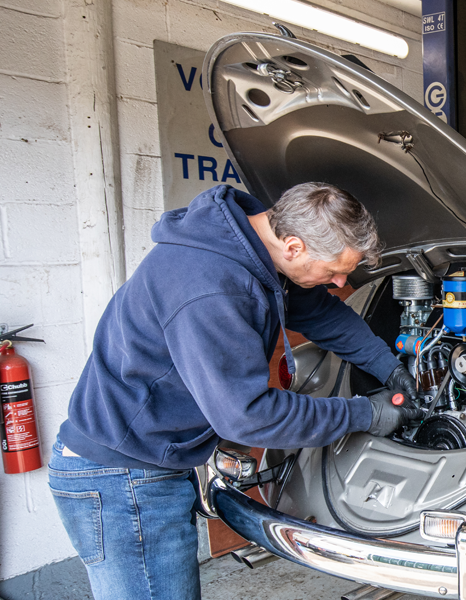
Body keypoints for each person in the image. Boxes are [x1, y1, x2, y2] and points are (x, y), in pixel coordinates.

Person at [48, 183, 418, 600]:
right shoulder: (211, 285)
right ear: (294, 246)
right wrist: (365, 414)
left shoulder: (255, 248)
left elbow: (321, 312)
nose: (340, 280)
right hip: (122, 479)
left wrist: (388, 366)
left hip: (141, 463)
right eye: (334, 269)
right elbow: (249, 414)